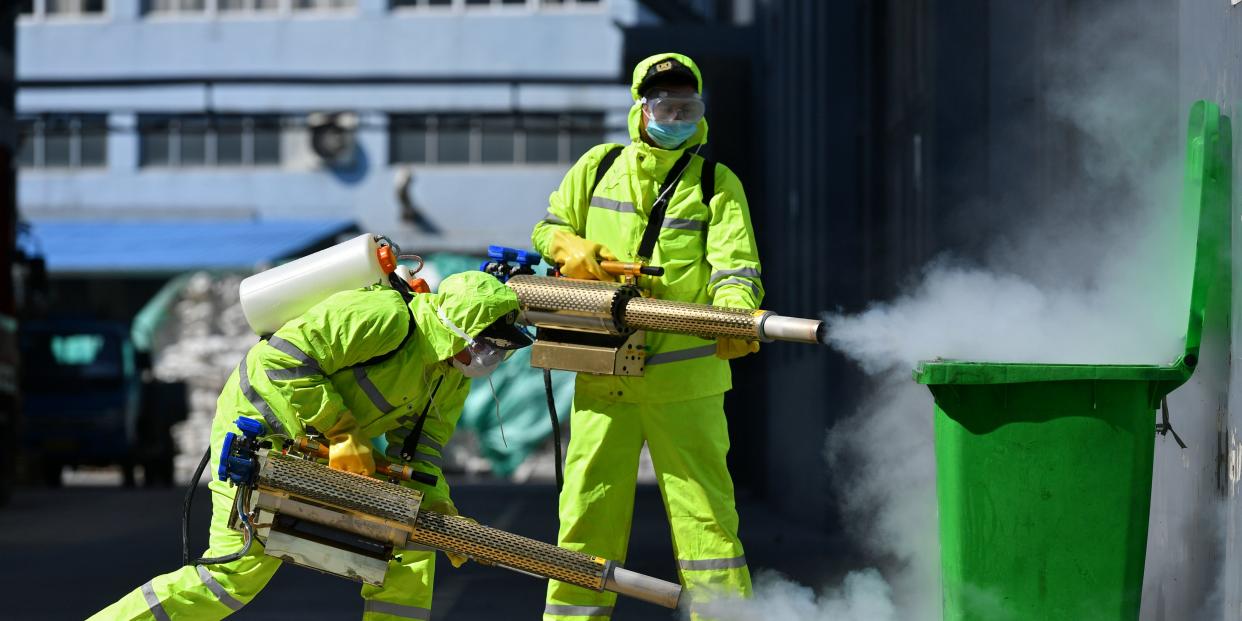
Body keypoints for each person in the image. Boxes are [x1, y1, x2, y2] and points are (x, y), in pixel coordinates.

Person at [90, 270, 530, 621]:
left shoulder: (449, 378)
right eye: (488, 344)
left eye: (501, 351)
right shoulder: (385, 317)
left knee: (410, 549)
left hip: (318, 445)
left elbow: (420, 454)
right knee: (232, 576)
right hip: (260, 433)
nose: (492, 357)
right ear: (459, 327)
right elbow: (278, 360)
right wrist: (340, 431)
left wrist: (439, 513)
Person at [531, 52, 763, 619]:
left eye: (687, 106)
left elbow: (736, 267)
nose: (676, 116)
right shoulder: (599, 165)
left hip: (685, 382)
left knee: (707, 524)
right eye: (665, 105)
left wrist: (734, 314)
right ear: (641, 110)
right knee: (586, 519)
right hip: (604, 375)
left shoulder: (716, 183)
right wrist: (571, 249)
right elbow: (548, 227)